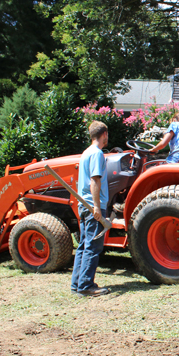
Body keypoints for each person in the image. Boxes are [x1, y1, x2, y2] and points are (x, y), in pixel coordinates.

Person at [71, 120, 110, 297]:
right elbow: (95, 180)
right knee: (93, 247)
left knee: (83, 246)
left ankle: (77, 284)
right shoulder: (97, 154)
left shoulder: (86, 153)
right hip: (92, 205)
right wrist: (97, 207)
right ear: (104, 135)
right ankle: (86, 286)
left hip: (83, 205)